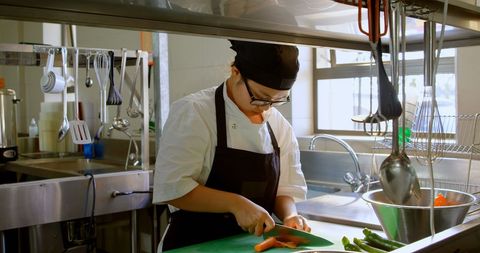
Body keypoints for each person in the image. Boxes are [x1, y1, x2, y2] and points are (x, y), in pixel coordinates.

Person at [153, 39, 309, 251]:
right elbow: (173, 188)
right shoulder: (195, 112)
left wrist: (290, 215)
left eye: (278, 100)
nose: (266, 108)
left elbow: (285, 189)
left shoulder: (278, 125)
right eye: (260, 98)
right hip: (194, 244)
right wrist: (235, 204)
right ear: (235, 72)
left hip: (248, 246)